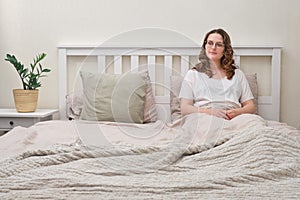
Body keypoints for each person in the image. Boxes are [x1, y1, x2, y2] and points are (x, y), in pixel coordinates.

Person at [179, 28, 255, 120]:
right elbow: (185, 108)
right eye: (210, 43)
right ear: (205, 46)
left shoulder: (237, 74)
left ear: (225, 49)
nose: (213, 47)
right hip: (204, 117)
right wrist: (211, 113)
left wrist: (238, 112)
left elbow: (250, 106)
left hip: (234, 118)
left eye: (219, 44)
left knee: (255, 123)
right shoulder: (193, 74)